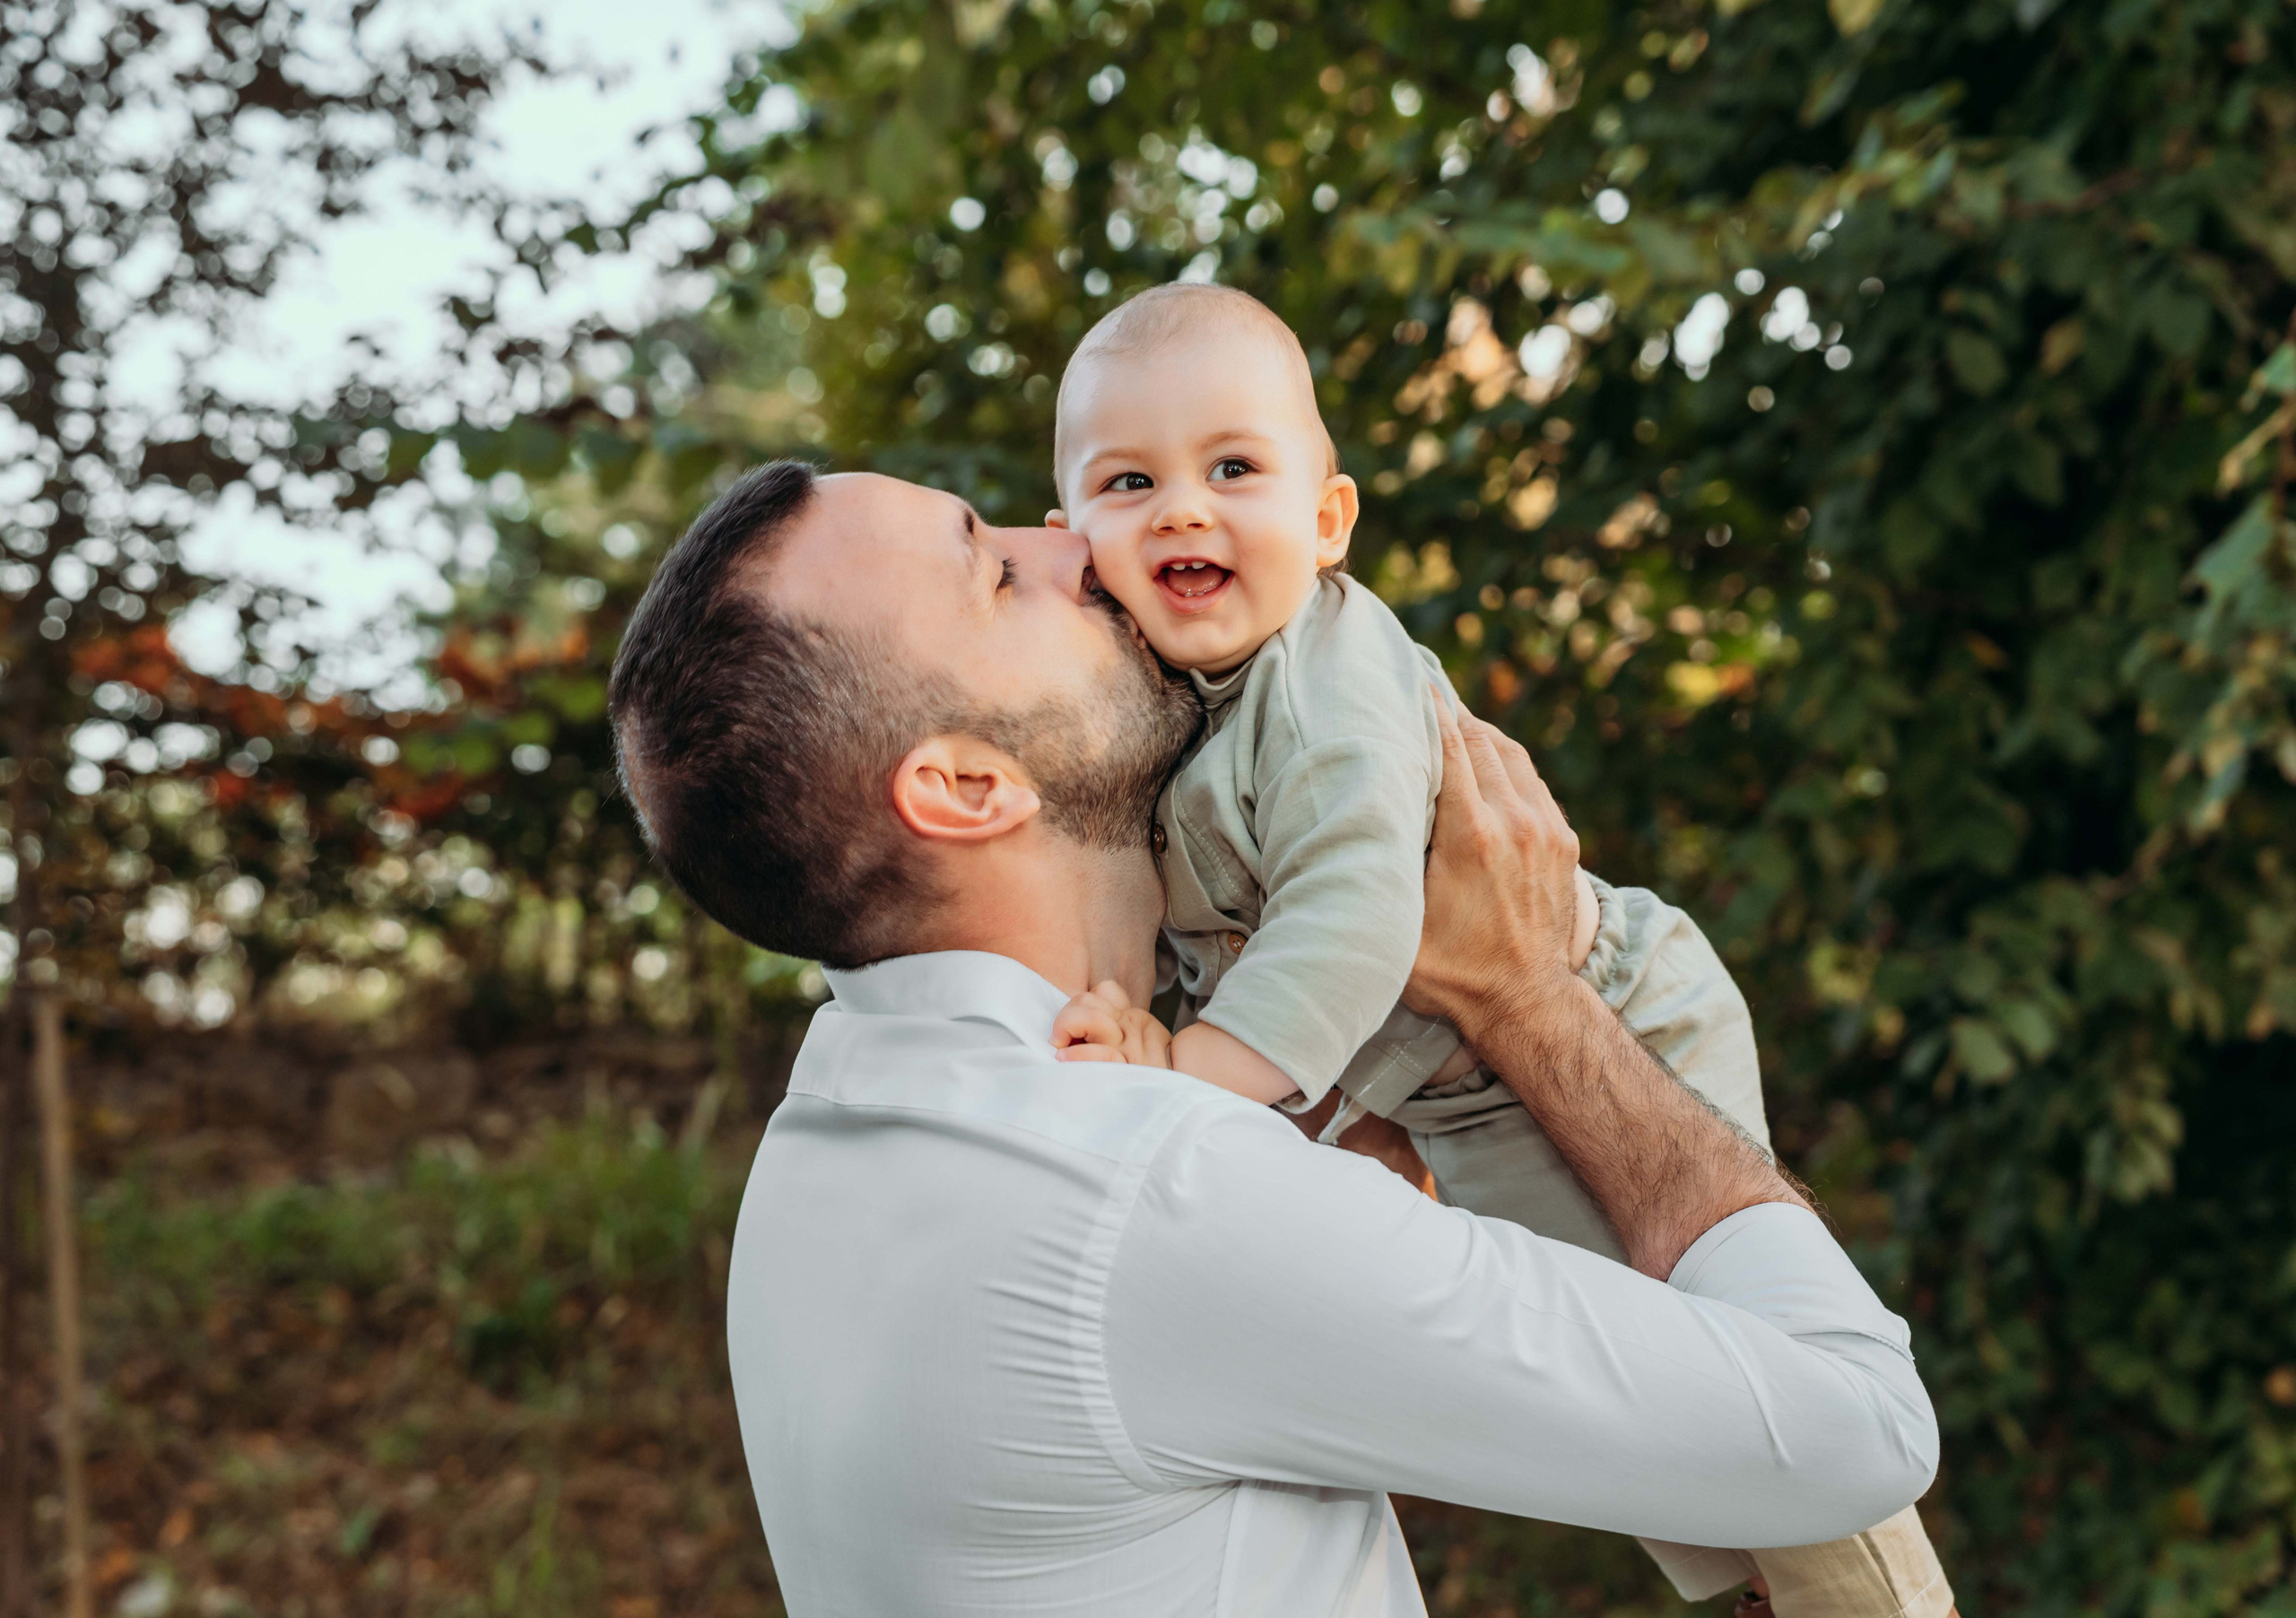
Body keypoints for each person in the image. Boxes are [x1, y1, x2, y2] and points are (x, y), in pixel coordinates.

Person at [606, 460, 1939, 1615]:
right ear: (966, 785)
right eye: (998, 572)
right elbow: (1858, 1427)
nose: (1076, 536)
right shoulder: (1145, 1184)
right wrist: (1525, 996)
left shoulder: (825, 1147)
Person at [1040, 283, 1952, 1616]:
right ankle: (1765, 1582)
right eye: (1130, 481)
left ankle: (1869, 1596)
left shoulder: (1328, 677)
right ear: (1075, 541)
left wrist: (1186, 1071)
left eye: (1234, 467)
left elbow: (1354, 915)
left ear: (1328, 519)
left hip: (1614, 1004)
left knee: (1740, 1350)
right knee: (1645, 1384)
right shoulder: (1164, 707)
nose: (1184, 507)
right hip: (1460, 1086)